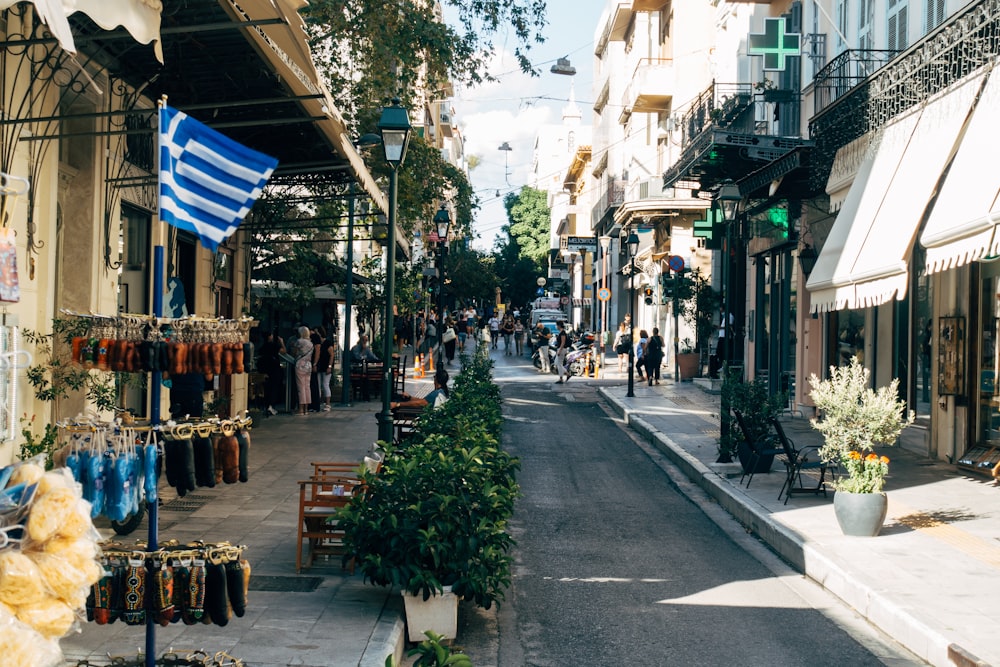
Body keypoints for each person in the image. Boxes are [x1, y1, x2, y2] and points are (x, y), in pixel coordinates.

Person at [258, 329, 285, 415]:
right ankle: (271, 405)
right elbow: (284, 351)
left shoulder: (262, 347)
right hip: (274, 368)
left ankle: (266, 405)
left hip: (265, 369)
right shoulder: (274, 345)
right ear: (270, 337)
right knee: (274, 388)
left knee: (267, 388)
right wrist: (282, 342)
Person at [291, 325, 314, 416]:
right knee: (307, 387)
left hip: (300, 364)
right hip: (308, 365)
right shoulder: (310, 343)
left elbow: (294, 353)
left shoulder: (299, 342)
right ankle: (306, 408)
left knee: (301, 387)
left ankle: (300, 409)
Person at [316, 327, 335, 411]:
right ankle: (320, 402)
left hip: (325, 365)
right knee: (319, 385)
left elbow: (331, 355)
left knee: (325, 384)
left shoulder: (327, 343)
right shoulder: (319, 343)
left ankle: (327, 404)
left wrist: (329, 366)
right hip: (320, 366)